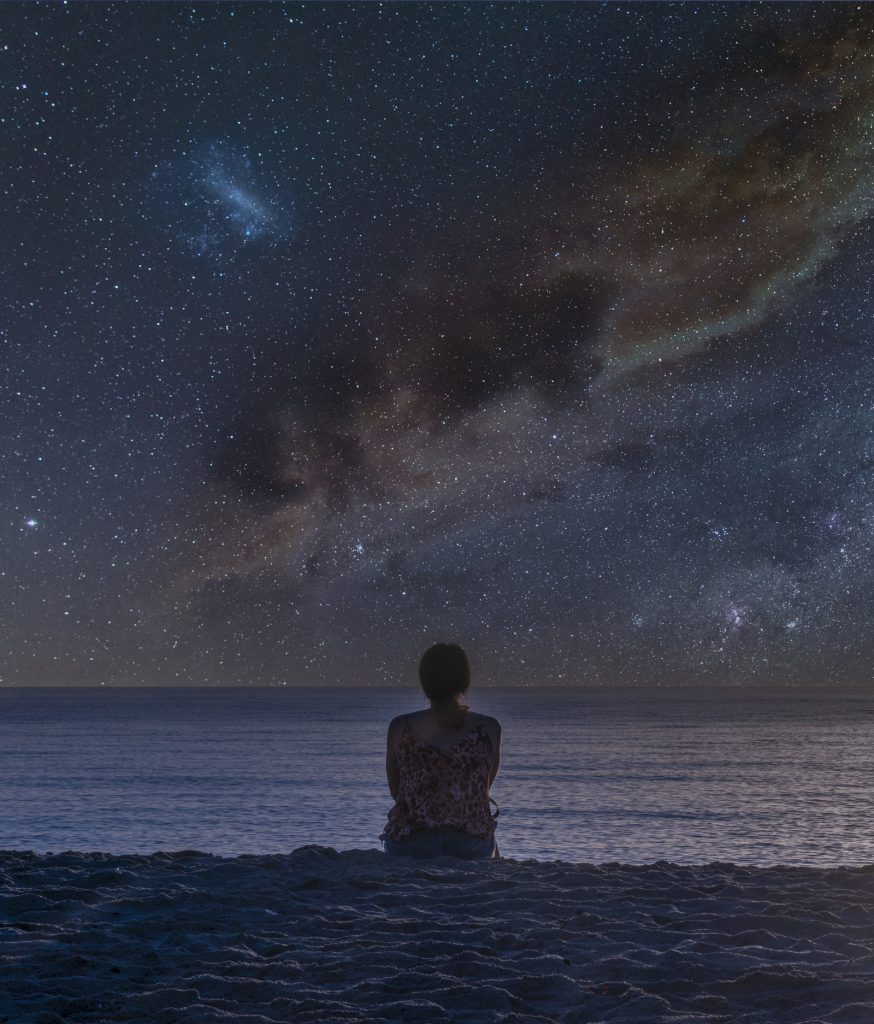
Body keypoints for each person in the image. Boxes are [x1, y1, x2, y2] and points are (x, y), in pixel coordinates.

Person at [380, 642, 501, 859]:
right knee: (491, 846)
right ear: (464, 681)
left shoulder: (400, 727)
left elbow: (397, 792)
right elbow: (482, 790)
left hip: (412, 842)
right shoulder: (490, 728)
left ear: (425, 681)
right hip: (470, 844)